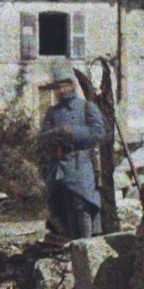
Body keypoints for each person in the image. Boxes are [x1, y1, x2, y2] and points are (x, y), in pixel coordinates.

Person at [39, 62, 107, 240]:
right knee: (63, 206)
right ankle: (69, 246)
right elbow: (42, 137)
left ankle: (86, 244)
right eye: (57, 88)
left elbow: (99, 133)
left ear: (72, 85)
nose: (60, 91)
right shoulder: (52, 112)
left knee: (82, 205)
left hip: (81, 163)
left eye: (64, 86)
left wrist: (73, 132)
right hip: (59, 165)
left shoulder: (86, 107)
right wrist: (54, 134)